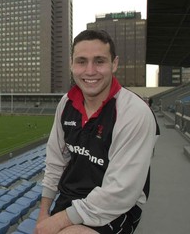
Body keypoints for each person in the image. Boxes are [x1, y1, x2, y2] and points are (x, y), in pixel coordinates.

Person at [35, 30, 159, 234]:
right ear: (71, 64)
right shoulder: (66, 103)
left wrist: (59, 222)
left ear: (114, 64)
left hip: (116, 208)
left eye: (99, 61)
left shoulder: (134, 112)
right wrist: (44, 213)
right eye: (81, 61)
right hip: (70, 199)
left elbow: (119, 192)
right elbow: (55, 161)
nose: (90, 71)